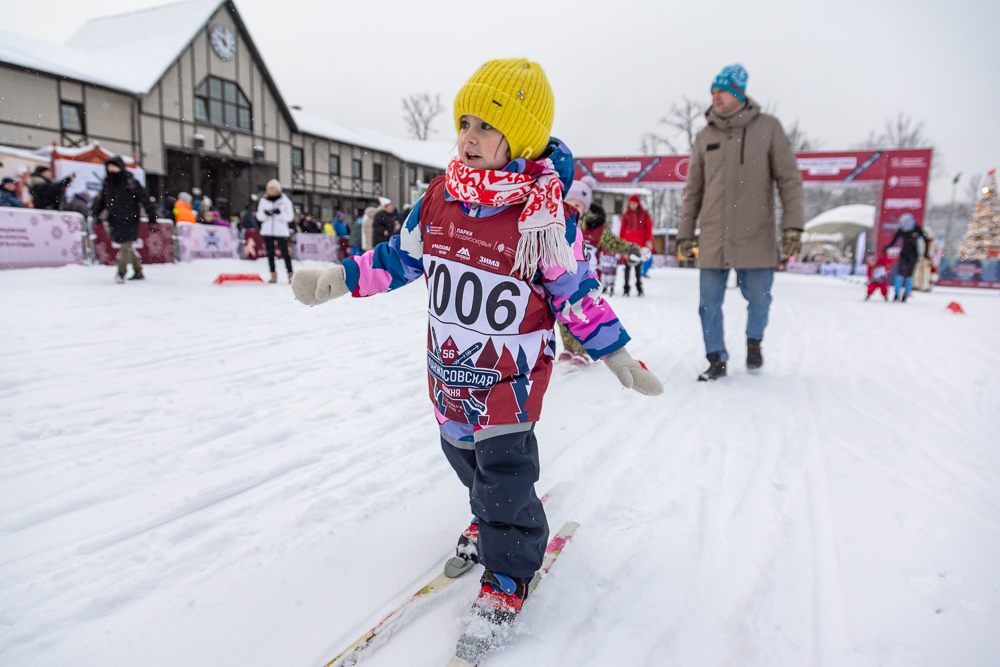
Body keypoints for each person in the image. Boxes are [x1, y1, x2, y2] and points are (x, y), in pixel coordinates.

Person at [290, 59, 662, 651]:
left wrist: (614, 352)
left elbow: (576, 294)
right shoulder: (439, 198)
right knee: (461, 454)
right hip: (449, 370)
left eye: (487, 125)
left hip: (510, 378)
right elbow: (398, 258)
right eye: (465, 122)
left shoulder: (546, 219)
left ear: (521, 138)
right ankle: (485, 513)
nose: (469, 136)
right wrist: (341, 278)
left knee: (505, 474)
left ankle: (508, 574)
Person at [677, 64, 804, 381]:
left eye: (721, 91)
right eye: (712, 92)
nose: (715, 97)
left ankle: (754, 341)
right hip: (713, 236)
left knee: (760, 300)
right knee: (708, 305)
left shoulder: (768, 128)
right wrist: (685, 233)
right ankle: (716, 358)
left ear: (738, 92)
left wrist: (793, 226)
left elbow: (789, 180)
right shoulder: (705, 136)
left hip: (756, 235)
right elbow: (693, 190)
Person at [560, 177, 640, 369]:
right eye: (569, 204)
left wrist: (630, 249)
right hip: (563, 278)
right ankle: (569, 347)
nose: (573, 208)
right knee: (563, 314)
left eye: (577, 205)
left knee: (583, 315)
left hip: (587, 279)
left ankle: (582, 351)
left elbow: (613, 242)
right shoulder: (557, 225)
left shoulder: (597, 227)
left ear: (586, 206)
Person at [90, 155, 156, 283]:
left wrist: (152, 217)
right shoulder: (108, 183)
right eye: (109, 167)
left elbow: (145, 200)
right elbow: (102, 200)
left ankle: (121, 272)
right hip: (114, 219)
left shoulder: (131, 182)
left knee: (126, 244)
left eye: (114, 166)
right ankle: (138, 270)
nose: (112, 169)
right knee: (126, 245)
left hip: (131, 218)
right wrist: (95, 212)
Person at [883, 213, 930, 302]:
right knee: (900, 273)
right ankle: (896, 294)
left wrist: (925, 253)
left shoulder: (917, 229)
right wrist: (887, 248)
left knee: (909, 275)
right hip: (904, 254)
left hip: (914, 254)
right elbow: (894, 241)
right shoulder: (901, 230)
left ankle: (905, 295)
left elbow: (926, 240)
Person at [256, 179, 295, 283]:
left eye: (274, 189)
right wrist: (266, 214)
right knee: (270, 253)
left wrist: (279, 214)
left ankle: (290, 274)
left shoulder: (285, 201)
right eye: (270, 189)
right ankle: (273, 274)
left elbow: (289, 217)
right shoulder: (263, 200)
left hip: (281, 231)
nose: (272, 191)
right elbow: (259, 216)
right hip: (267, 230)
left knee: (285, 253)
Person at [619, 194, 653, 296]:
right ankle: (626, 288)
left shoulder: (644, 214)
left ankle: (639, 287)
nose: (633, 205)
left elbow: (649, 229)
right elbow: (622, 230)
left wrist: (649, 241)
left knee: (638, 268)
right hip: (628, 245)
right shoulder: (626, 215)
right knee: (627, 268)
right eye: (631, 203)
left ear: (638, 204)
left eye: (634, 203)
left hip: (639, 244)